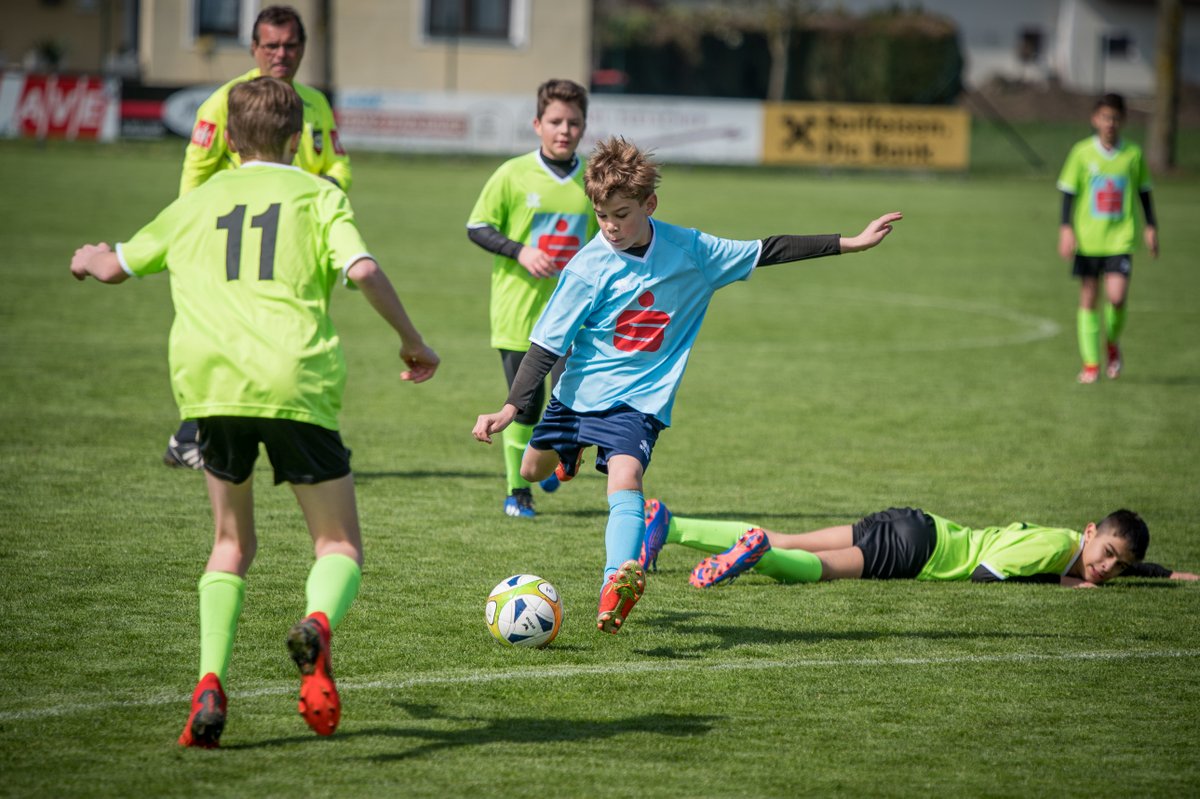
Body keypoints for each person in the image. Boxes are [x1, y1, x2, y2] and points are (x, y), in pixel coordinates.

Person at [69, 77, 440, 748]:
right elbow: (361, 270)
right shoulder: (319, 195)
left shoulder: (196, 200)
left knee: (231, 544)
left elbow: (119, 265)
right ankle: (317, 624)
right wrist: (412, 341)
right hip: (296, 379)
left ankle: (209, 683)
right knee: (337, 544)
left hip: (210, 385)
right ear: (297, 139)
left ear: (231, 140)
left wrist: (90, 257)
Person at [473, 136, 902, 634]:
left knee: (626, 479)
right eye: (602, 215)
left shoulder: (692, 251)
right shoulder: (586, 268)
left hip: (638, 402)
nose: (610, 226)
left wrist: (851, 241)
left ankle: (616, 582)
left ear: (650, 205)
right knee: (532, 470)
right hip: (578, 395)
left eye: (622, 214)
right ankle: (568, 458)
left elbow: (767, 249)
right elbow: (546, 345)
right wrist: (510, 408)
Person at [166, 4, 353, 469]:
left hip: (300, 244)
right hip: (242, 240)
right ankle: (190, 434)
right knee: (232, 334)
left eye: (290, 45)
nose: (280, 54)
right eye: (271, 45)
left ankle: (308, 430)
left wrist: (326, 188)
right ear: (254, 48)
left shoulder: (316, 104)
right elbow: (195, 171)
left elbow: (337, 163)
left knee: (299, 332)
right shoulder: (227, 100)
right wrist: (191, 228)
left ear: (303, 48)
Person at [466, 78, 598, 519]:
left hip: (574, 314)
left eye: (573, 123)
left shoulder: (593, 180)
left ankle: (554, 457)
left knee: (570, 398)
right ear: (537, 124)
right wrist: (520, 250)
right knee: (524, 404)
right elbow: (477, 227)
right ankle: (517, 490)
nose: (565, 130)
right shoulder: (512, 174)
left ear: (583, 126)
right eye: (555, 121)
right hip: (518, 310)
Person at [640, 499, 1198, 588]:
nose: (1106, 568)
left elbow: (1129, 566)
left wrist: (1170, 575)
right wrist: (1066, 582)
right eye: (1107, 555)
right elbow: (986, 573)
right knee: (822, 568)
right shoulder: (1056, 550)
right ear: (1090, 532)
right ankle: (758, 555)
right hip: (922, 551)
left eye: (1118, 567)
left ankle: (673, 523)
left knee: (788, 537)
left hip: (915, 521)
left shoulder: (1073, 544)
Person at [1056, 93, 1157, 385]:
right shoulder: (1082, 152)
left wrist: (1151, 226)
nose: (1109, 123)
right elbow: (1068, 191)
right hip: (1089, 239)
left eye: (1114, 117)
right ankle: (1091, 363)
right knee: (1089, 296)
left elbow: (1144, 191)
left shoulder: (1132, 154)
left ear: (1122, 120)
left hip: (1120, 238)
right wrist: (1066, 228)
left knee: (1116, 297)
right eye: (1104, 117)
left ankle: (1112, 343)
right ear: (1095, 119)